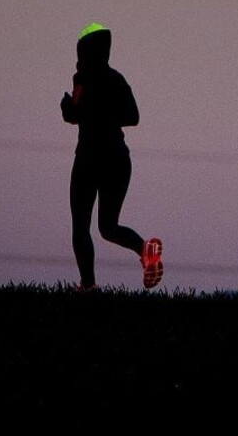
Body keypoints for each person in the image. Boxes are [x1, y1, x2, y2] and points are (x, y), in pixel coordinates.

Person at [60, 22, 163, 290]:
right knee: (107, 227)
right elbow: (130, 116)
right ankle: (144, 250)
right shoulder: (111, 79)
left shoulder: (87, 79)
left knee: (82, 226)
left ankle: (88, 285)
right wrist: (73, 111)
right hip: (117, 158)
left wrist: (77, 111)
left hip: (91, 159)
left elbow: (80, 113)